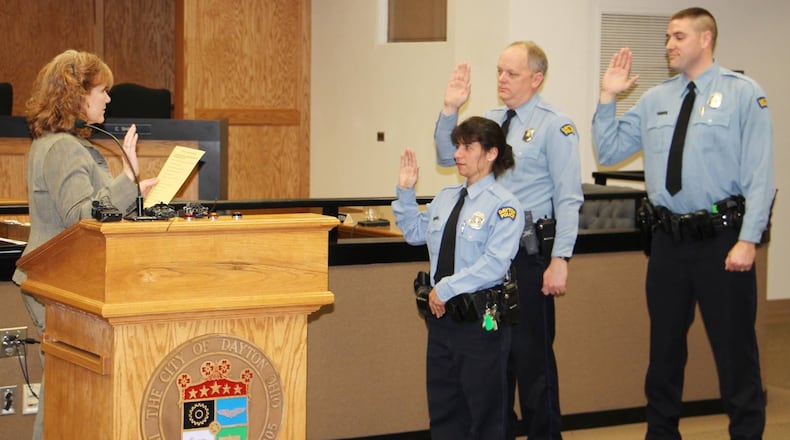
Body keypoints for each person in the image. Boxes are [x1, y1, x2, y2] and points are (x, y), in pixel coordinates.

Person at [592, 7, 773, 439]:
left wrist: (748, 239)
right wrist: (607, 98)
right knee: (664, 354)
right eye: (668, 38)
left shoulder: (743, 93)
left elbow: (760, 174)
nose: (668, 45)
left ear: (705, 38)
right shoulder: (657, 97)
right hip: (668, 242)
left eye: (677, 37)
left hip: (722, 240)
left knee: (734, 353)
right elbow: (609, 149)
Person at [434, 41, 583, 439]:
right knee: (493, 366)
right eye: (499, 71)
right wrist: (450, 110)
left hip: (530, 258)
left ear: (536, 78)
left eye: (511, 73)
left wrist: (561, 258)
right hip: (486, 259)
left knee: (533, 364)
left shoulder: (556, 125)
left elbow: (569, 197)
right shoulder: (494, 122)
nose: (501, 79)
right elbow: (447, 157)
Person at [11, 49, 159, 440]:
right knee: (65, 380)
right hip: (57, 284)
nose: (108, 99)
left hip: (63, 282)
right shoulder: (61, 147)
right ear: (77, 95)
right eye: (102, 90)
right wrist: (126, 175)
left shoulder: (66, 144)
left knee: (62, 380)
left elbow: (90, 208)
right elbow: (81, 216)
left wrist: (131, 188)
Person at [393, 116, 525, 439]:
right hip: (441, 322)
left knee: (485, 418)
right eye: (457, 146)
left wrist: (447, 288)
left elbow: (494, 264)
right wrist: (405, 191)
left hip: (480, 325)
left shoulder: (505, 207)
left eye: (468, 147)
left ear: (491, 153)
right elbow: (414, 232)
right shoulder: (446, 198)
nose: (457, 154)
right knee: (444, 413)